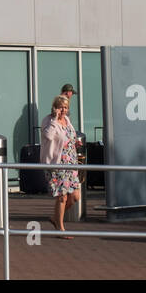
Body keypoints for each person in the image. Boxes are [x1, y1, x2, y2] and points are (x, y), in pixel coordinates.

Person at [42, 94, 82, 236]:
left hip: (71, 163)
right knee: (62, 197)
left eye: (66, 107)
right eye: (61, 107)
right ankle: (60, 228)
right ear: (55, 107)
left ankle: (55, 218)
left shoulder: (67, 120)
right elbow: (48, 136)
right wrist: (54, 119)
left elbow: (70, 135)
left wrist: (76, 141)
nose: (64, 110)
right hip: (57, 163)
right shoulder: (48, 120)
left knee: (75, 197)